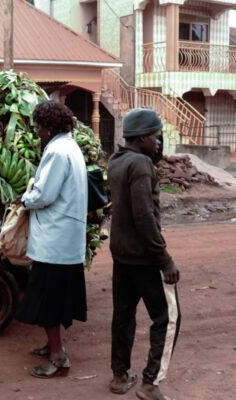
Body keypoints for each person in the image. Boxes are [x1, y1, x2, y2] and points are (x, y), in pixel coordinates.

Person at [107, 108, 180, 400]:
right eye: (155, 136)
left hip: (121, 255)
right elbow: (144, 217)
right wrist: (165, 260)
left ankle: (119, 375)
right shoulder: (140, 165)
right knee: (167, 317)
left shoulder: (117, 160)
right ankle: (150, 383)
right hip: (143, 257)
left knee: (123, 316)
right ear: (140, 137)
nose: (159, 142)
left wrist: (153, 157)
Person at [17, 100, 88, 378]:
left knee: (49, 301)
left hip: (54, 242)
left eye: (38, 127)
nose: (37, 133)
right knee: (57, 298)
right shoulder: (70, 147)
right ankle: (52, 346)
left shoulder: (57, 151)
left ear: (49, 127)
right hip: (64, 239)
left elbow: (44, 194)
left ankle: (58, 359)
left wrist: (25, 198)